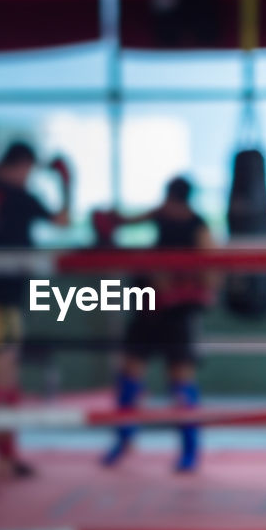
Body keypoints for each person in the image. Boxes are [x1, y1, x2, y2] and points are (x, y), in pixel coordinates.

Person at [0, 140, 71, 493]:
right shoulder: (18, 196)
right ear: (23, 165)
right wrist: (68, 183)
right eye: (30, 171)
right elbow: (63, 221)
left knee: (4, 378)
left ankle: (5, 457)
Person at [99, 176, 217, 473]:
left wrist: (181, 283)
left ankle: (190, 451)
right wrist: (107, 220)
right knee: (130, 372)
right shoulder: (160, 215)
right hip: (149, 306)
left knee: (180, 379)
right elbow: (123, 222)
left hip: (178, 311)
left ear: (175, 198)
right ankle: (124, 439)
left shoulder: (198, 227)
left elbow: (212, 275)